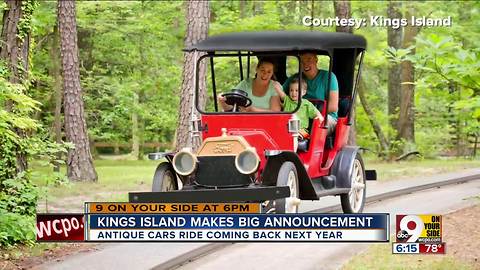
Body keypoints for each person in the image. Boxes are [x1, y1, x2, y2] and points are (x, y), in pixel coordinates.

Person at [282, 52, 339, 134]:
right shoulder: (295, 78)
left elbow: (333, 107)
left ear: (316, 59)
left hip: (325, 116)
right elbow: (279, 94)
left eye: (309, 59)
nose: (305, 64)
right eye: (302, 61)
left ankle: (311, 145)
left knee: (318, 123)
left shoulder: (328, 77)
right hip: (299, 117)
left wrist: (308, 111)